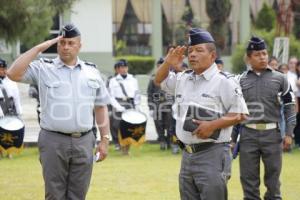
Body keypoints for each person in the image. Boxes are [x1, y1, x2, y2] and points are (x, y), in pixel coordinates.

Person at [7, 23, 110, 200]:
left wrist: (105, 139)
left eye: (70, 43)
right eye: (62, 43)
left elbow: (100, 107)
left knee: (78, 195)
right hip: (53, 141)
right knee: (54, 195)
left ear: (79, 45)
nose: (65, 47)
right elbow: (13, 73)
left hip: (84, 141)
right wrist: (41, 46)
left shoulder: (92, 72)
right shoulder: (43, 68)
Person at [155, 28, 249, 200]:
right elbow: (159, 80)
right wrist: (168, 62)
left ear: (212, 56)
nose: (192, 55)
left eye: (199, 50)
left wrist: (212, 125)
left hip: (212, 153)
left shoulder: (224, 81)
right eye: (190, 51)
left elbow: (241, 114)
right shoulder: (183, 78)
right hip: (187, 155)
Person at [237, 36, 296, 199]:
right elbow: (235, 111)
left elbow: (290, 106)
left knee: (273, 183)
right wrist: (231, 139)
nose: (262, 57)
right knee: (248, 181)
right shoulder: (240, 80)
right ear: (249, 58)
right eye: (257, 54)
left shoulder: (280, 79)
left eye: (264, 53)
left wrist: (289, 133)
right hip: (248, 136)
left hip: (273, 135)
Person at [108, 59, 140, 155]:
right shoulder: (113, 81)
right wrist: (118, 106)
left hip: (130, 104)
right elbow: (111, 96)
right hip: (118, 103)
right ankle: (119, 145)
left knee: (129, 127)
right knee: (117, 126)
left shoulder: (133, 80)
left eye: (125, 67)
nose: (123, 69)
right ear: (118, 69)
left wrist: (137, 106)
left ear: (127, 68)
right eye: (121, 67)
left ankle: (126, 149)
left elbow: (137, 94)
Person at [147, 57, 179, 153]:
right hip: (157, 106)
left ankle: (169, 142)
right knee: (159, 125)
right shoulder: (153, 78)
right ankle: (162, 141)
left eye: (163, 64)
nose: (161, 66)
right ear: (157, 66)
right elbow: (150, 93)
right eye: (159, 65)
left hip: (169, 106)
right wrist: (151, 107)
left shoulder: (171, 77)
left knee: (170, 125)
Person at [0, 58, 22, 159]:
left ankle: (9, 152)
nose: (3, 71)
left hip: (9, 107)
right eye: (1, 69)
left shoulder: (11, 81)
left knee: (9, 131)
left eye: (4, 68)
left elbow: (16, 97)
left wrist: (19, 112)